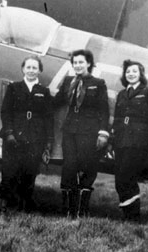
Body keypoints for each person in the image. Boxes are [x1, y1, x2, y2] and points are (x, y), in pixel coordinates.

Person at [55, 49, 109, 218]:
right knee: (69, 166)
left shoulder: (98, 83)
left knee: (85, 167)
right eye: (75, 63)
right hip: (70, 130)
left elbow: (103, 110)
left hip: (89, 131)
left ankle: (81, 211)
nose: (78, 65)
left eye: (81, 62)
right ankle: (68, 211)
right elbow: (57, 101)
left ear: (88, 64)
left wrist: (103, 132)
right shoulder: (69, 81)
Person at [0, 56, 54, 213]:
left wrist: (48, 142)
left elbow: (48, 118)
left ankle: (23, 207)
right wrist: (9, 134)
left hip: (35, 138)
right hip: (14, 137)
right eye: (28, 67)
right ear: (23, 69)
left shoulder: (44, 91)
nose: (31, 71)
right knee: (9, 172)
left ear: (40, 71)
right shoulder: (14, 88)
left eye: (34, 68)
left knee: (29, 173)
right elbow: (6, 112)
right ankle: (3, 208)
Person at [112, 59, 148, 222]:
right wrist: (113, 140)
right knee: (119, 178)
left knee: (127, 176)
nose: (131, 74)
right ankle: (129, 214)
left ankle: (133, 217)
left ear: (141, 74)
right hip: (121, 140)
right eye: (128, 72)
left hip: (138, 141)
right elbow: (117, 119)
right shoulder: (121, 94)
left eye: (134, 71)